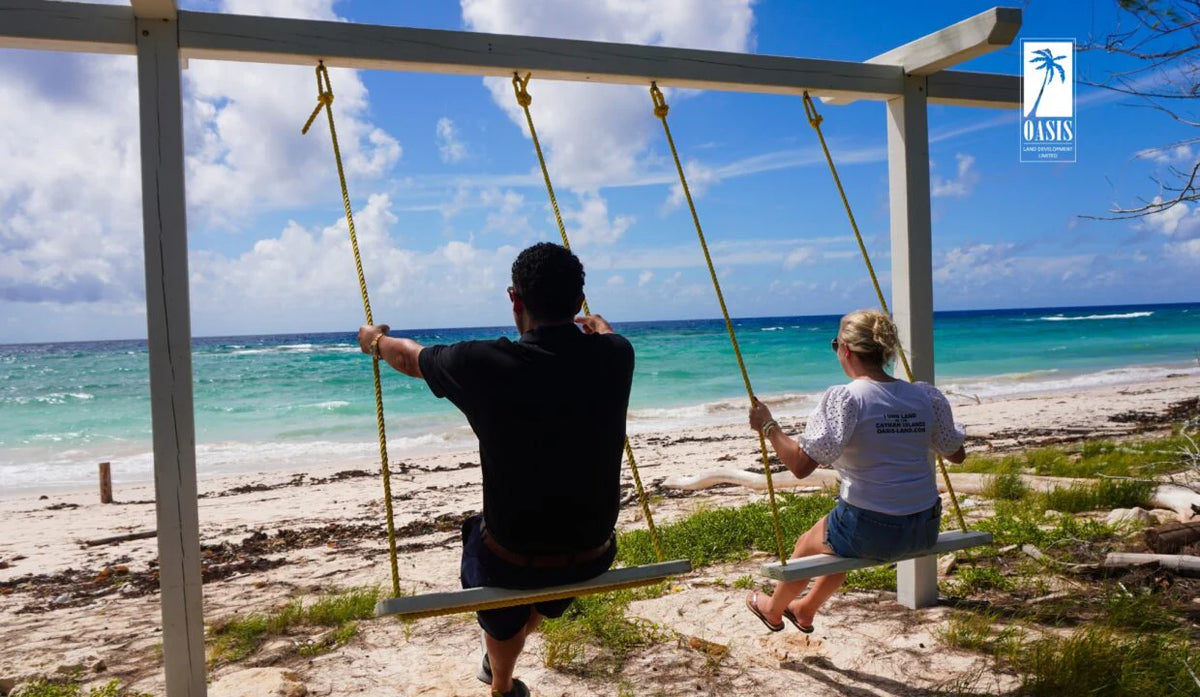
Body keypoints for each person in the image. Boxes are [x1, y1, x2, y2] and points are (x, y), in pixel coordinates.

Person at [357, 242, 633, 697]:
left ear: (515, 299)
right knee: (532, 584)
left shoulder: (482, 363)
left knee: (485, 546)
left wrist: (374, 341)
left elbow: (409, 357)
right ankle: (511, 645)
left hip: (512, 562)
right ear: (578, 302)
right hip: (593, 552)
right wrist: (599, 325)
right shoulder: (618, 355)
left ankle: (502, 686)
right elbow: (607, 336)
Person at [743, 309, 966, 634]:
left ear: (845, 349)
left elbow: (801, 466)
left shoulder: (846, 399)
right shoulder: (925, 396)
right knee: (833, 540)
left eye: (835, 344)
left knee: (810, 544)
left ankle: (773, 611)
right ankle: (804, 610)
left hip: (872, 532)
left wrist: (768, 426)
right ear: (885, 351)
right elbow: (955, 454)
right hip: (924, 528)